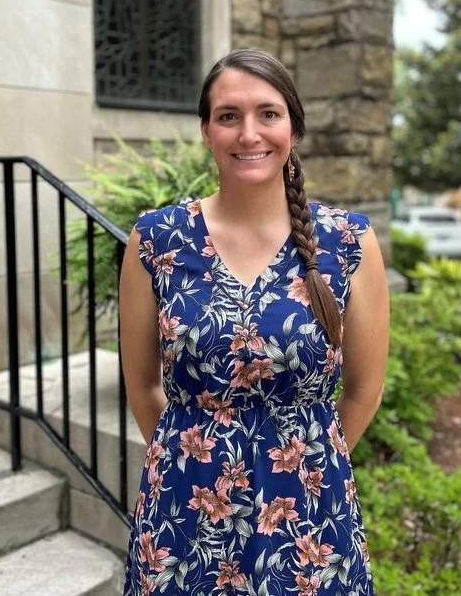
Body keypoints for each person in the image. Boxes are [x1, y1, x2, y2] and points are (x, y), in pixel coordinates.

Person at [119, 48, 389, 595]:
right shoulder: (156, 240)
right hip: (184, 514)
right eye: (228, 116)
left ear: (293, 127)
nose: (249, 134)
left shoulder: (349, 242)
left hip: (311, 516)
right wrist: (194, 456)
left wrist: (302, 462)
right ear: (206, 131)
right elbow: (143, 385)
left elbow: (364, 390)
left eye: (268, 113)